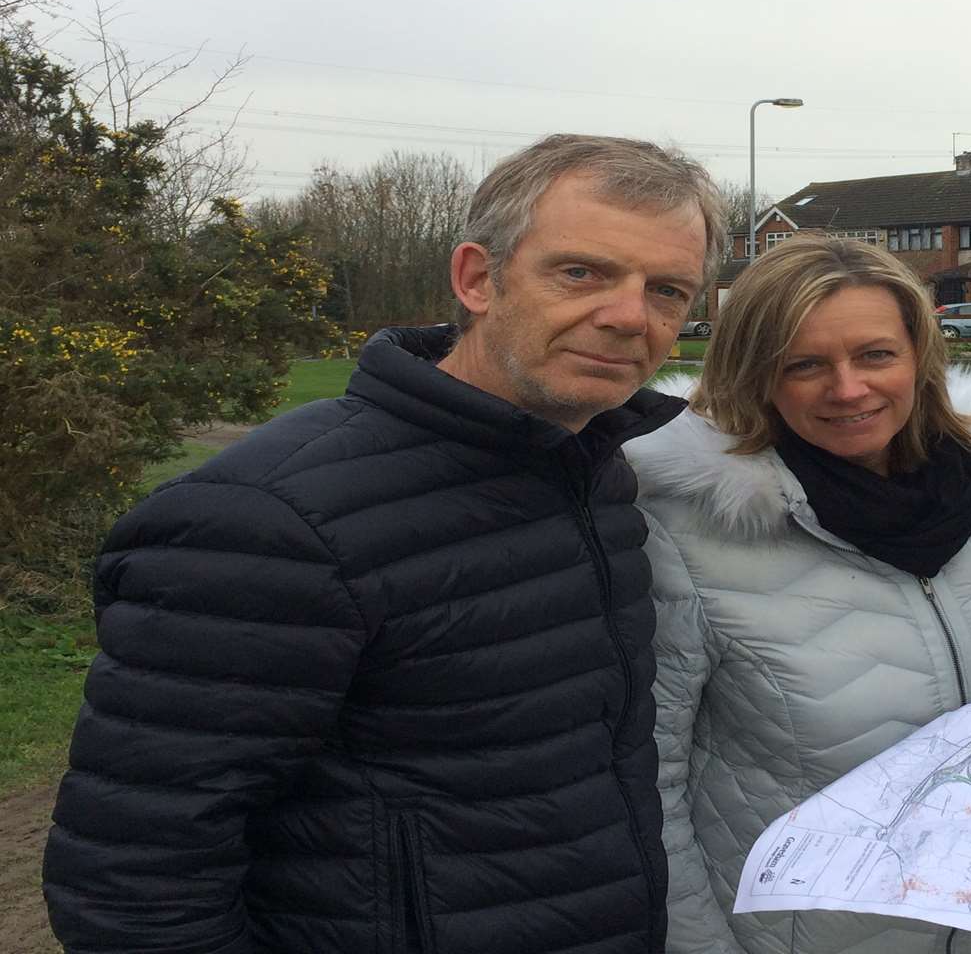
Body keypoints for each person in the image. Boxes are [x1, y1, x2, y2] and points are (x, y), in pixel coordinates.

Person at [41, 134, 727, 953]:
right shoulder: (269, 522)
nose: (627, 316)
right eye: (581, 272)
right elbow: (135, 884)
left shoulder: (598, 478)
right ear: (477, 278)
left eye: (667, 290)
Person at [626, 237, 971, 954]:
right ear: (756, 375)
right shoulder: (689, 530)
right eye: (806, 364)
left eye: (875, 355)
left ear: (920, 355)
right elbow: (649, 777)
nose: (848, 389)